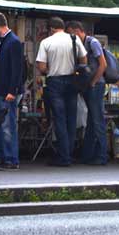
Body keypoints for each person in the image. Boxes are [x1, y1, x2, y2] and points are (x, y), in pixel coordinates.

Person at [37, 17, 87, 166]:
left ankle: (63, 157)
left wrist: (51, 69)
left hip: (55, 82)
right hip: (72, 81)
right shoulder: (74, 39)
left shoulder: (46, 42)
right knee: (71, 118)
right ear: (63, 27)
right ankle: (69, 154)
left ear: (51, 29)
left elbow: (41, 68)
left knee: (59, 119)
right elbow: (84, 60)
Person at [65, 21, 108, 165]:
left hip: (95, 85)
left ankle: (102, 156)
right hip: (88, 85)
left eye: (71, 33)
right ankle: (87, 155)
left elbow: (103, 64)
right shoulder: (80, 44)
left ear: (77, 31)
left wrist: (94, 82)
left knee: (97, 120)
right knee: (91, 121)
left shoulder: (92, 42)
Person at [0, 12, 24, 171]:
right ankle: (2, 156)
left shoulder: (13, 42)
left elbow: (17, 68)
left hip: (7, 92)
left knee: (7, 125)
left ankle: (11, 159)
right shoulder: (2, 41)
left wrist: (12, 90)